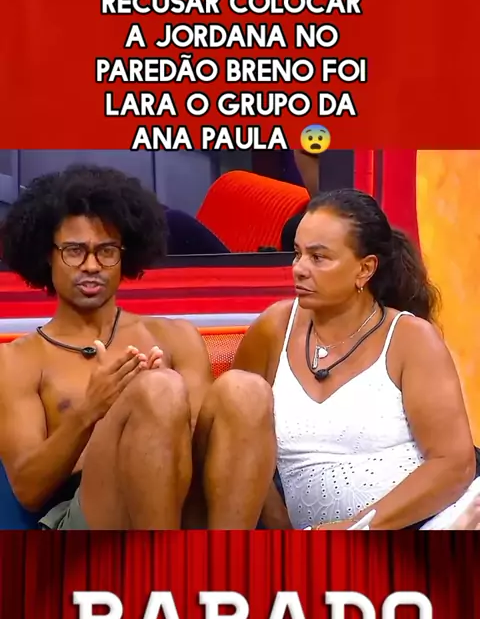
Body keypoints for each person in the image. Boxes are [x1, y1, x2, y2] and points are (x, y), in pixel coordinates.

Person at [0, 165, 276, 530]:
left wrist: (160, 412)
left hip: (184, 503)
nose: (92, 266)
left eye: (107, 251)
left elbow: (212, 448)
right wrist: (92, 410)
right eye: (74, 251)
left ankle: (227, 558)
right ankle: (158, 564)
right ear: (47, 255)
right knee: (156, 389)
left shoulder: (175, 336)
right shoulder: (17, 360)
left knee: (246, 389)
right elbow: (28, 489)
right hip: (89, 516)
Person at [233, 188, 478, 530]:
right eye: (297, 254)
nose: (299, 269)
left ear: (365, 269)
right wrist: (282, 530)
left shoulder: (411, 338)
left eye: (318, 258)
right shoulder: (274, 329)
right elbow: (237, 443)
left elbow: (454, 464)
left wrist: (356, 527)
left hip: (435, 520)